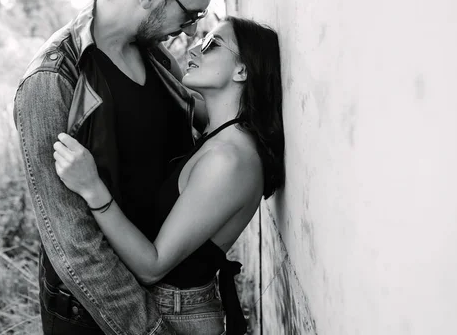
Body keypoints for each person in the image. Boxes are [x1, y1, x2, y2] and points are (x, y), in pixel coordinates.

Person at [13, 0, 220, 333]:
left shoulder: (155, 53)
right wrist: (153, 327)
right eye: (191, 14)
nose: (191, 31)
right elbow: (73, 247)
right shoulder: (52, 80)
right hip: (100, 315)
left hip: (167, 293)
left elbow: (202, 120)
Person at [52, 17, 285, 335]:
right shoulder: (221, 130)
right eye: (197, 39)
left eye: (210, 44)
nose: (194, 47)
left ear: (242, 70)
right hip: (174, 308)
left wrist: (92, 187)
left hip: (179, 317)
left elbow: (152, 266)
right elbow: (173, 85)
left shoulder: (228, 159)